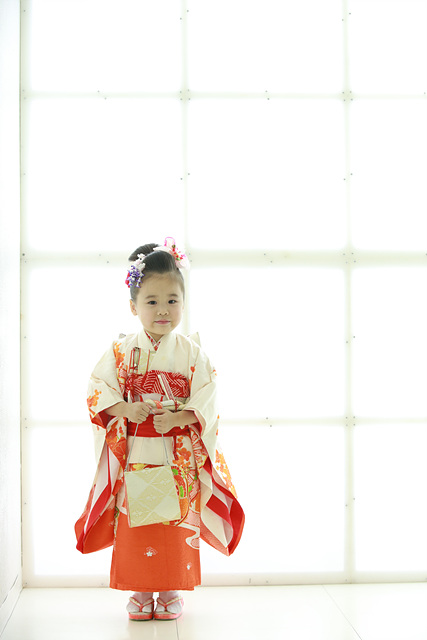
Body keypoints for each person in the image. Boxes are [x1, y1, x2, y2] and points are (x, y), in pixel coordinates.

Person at [75, 237, 245, 621]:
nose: (163, 310)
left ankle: (171, 591)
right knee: (137, 519)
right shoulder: (120, 352)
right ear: (133, 306)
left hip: (177, 454)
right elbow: (97, 389)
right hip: (136, 450)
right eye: (151, 301)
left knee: (174, 519)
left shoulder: (192, 353)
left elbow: (207, 398)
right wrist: (126, 408)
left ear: (183, 302)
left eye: (172, 300)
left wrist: (180, 418)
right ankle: (139, 591)